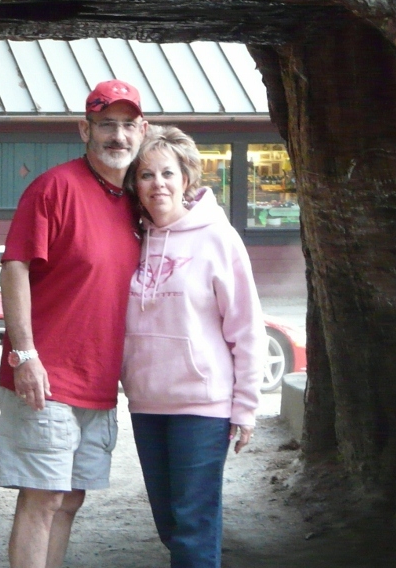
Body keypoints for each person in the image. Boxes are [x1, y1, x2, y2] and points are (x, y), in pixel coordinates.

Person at [0, 80, 148, 568]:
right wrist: (25, 356)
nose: (117, 136)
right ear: (85, 129)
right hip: (46, 377)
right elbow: (15, 266)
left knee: (72, 498)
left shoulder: (137, 202)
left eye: (128, 125)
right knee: (43, 497)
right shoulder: (54, 187)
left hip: (98, 380)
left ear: (142, 131)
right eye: (106, 125)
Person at [122, 126, 265, 568]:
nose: (158, 183)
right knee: (169, 524)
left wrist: (245, 405)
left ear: (187, 179)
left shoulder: (218, 239)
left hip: (203, 405)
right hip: (146, 402)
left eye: (168, 173)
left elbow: (246, 325)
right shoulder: (130, 239)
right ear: (135, 185)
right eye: (146, 175)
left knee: (192, 526)